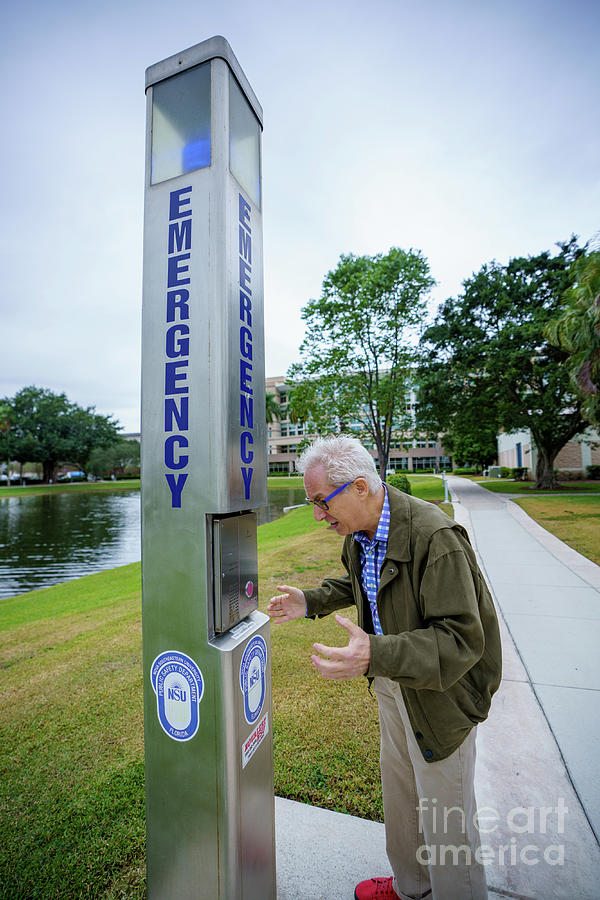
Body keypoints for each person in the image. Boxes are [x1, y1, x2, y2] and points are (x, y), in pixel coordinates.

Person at [267, 435, 502, 900]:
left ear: (358, 487)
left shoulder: (436, 538)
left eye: (320, 502)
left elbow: (460, 639)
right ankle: (411, 888)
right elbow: (362, 583)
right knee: (402, 800)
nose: (317, 514)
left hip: (442, 697)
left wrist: (374, 654)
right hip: (394, 686)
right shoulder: (360, 533)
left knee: (446, 823)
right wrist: (310, 600)